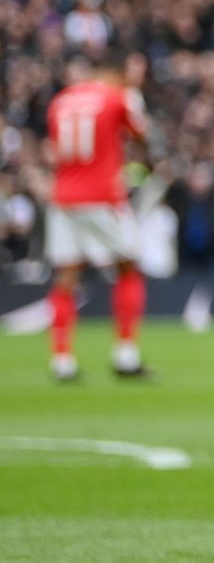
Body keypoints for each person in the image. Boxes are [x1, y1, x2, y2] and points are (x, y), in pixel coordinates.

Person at [43, 49, 156, 382]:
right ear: (119, 73)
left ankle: (62, 360)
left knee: (66, 277)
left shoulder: (61, 100)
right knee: (129, 266)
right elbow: (140, 133)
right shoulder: (118, 97)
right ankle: (126, 355)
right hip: (103, 195)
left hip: (63, 196)